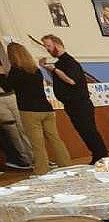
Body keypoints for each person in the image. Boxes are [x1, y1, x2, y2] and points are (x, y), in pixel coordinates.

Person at [0, 42, 71, 175]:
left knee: (37, 144)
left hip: (29, 111)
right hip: (47, 109)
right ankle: (66, 165)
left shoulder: (16, 72)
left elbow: (8, 87)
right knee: (55, 139)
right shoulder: (36, 70)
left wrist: (2, 75)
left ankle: (41, 170)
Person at [39, 34, 109, 163]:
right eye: (45, 47)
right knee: (84, 132)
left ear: (57, 44)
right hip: (71, 105)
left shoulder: (69, 62)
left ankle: (102, 156)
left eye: (48, 46)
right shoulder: (60, 63)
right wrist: (48, 69)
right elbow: (61, 79)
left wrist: (54, 70)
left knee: (89, 131)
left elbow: (71, 81)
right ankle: (97, 155)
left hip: (80, 104)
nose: (47, 49)